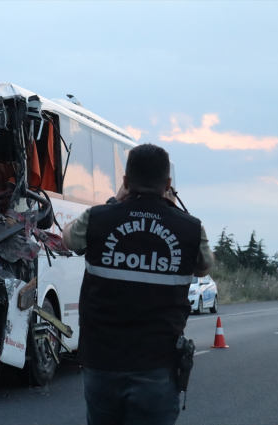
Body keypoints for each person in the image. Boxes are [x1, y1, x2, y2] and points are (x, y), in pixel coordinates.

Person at [63, 144, 213, 425]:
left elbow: (68, 238)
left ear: (125, 182)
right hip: (157, 364)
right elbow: (205, 265)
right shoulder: (191, 228)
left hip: (101, 361)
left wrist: (113, 204)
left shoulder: (97, 218)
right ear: (168, 184)